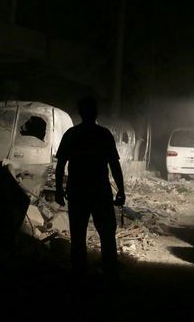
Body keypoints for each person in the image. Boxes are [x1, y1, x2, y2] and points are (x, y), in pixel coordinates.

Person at [55, 96, 125, 282]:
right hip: (100, 191)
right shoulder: (104, 134)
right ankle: (110, 274)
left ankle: (79, 276)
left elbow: (61, 165)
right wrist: (121, 190)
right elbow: (114, 165)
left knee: (78, 235)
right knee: (107, 234)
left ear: (80, 112)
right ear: (96, 113)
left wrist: (58, 190)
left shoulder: (71, 134)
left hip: (77, 191)